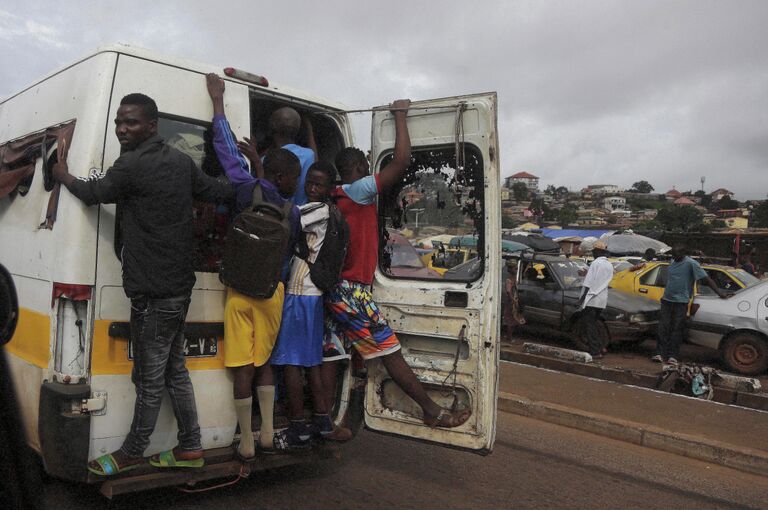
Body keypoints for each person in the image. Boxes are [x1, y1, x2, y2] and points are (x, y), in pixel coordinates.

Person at [53, 93, 234, 475]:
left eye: (130, 122)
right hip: (178, 288)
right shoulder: (182, 163)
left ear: (152, 126)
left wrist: (62, 173)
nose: (121, 129)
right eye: (119, 122)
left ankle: (133, 451)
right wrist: (251, 178)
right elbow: (219, 192)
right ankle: (190, 447)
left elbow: (91, 194)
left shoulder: (130, 165)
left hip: (152, 293)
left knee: (150, 380)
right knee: (174, 372)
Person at [322, 99, 471, 429]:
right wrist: (400, 116)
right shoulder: (359, 190)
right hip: (353, 291)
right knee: (390, 350)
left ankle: (324, 422)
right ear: (361, 166)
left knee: (332, 354)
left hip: (334, 289)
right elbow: (401, 162)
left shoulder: (333, 193)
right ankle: (431, 411)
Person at [207, 74, 301, 459]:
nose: (298, 183)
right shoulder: (292, 210)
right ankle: (266, 432)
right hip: (270, 294)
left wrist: (218, 102)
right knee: (264, 362)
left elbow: (226, 151)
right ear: (283, 177)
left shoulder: (247, 188)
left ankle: (245, 439)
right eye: (295, 177)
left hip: (237, 292)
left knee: (242, 366)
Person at [269, 161, 352, 449]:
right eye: (310, 183)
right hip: (313, 294)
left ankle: (297, 428)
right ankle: (322, 421)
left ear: (330, 189)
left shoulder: (315, 210)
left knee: (291, 362)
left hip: (299, 292)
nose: (313, 188)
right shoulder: (331, 212)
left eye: (319, 184)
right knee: (311, 362)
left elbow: (286, 217)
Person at [653, 244, 728, 364]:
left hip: (681, 302)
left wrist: (720, 293)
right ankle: (660, 353)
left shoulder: (691, 264)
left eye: (677, 254)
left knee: (676, 329)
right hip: (667, 300)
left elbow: (706, 279)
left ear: (683, 254)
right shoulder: (672, 262)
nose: (674, 256)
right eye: (673, 254)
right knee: (663, 327)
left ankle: (673, 356)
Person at [237, 106, 316, 206]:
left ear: (271, 129)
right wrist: (309, 127)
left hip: (277, 214)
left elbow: (258, 189)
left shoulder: (266, 161)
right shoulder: (309, 155)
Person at [577, 241, 613, 358]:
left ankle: (595, 351)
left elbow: (588, 283)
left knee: (589, 326)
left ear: (597, 252)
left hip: (592, 298)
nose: (593, 254)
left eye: (594, 252)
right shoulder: (609, 264)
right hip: (602, 300)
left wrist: (581, 299)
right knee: (594, 324)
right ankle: (600, 347)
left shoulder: (596, 264)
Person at [503, 259, 525, 339]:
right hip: (510, 302)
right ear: (510, 269)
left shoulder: (513, 279)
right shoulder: (509, 280)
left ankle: (509, 336)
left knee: (513, 319)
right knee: (510, 320)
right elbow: (509, 292)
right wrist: (513, 301)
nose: (516, 270)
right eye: (515, 269)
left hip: (513, 301)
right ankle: (509, 337)